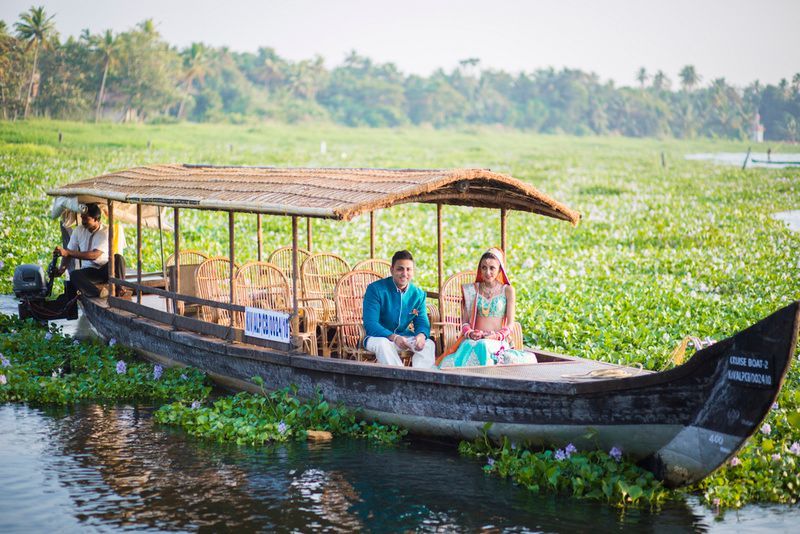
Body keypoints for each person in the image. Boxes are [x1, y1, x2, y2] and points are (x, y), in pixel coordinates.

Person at [436, 248, 537, 368]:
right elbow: (465, 322)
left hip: (497, 340)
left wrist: (495, 336)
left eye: (492, 268)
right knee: (481, 345)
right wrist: (471, 333)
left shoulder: (508, 290)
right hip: (473, 341)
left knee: (485, 346)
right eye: (483, 267)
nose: (487, 272)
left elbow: (510, 324)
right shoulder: (472, 290)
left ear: (500, 269)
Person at [362, 250, 435, 368]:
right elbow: (370, 324)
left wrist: (421, 336)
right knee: (383, 344)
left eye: (408, 269)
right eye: (400, 269)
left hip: (404, 337)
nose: (404, 273)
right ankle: (400, 380)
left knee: (428, 344)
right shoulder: (375, 289)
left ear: (413, 271)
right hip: (377, 337)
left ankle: (420, 382)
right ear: (392, 270)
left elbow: (422, 322)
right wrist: (394, 337)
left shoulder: (418, 295)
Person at [54, 203, 109, 298]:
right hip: (90, 271)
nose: (82, 221)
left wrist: (68, 253)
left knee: (118, 258)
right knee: (74, 275)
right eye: (82, 218)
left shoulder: (105, 231)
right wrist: (60, 270)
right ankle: (97, 293)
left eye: (85, 219)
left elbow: (94, 255)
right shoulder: (78, 230)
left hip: (105, 269)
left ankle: (120, 287)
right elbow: (68, 252)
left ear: (96, 219)